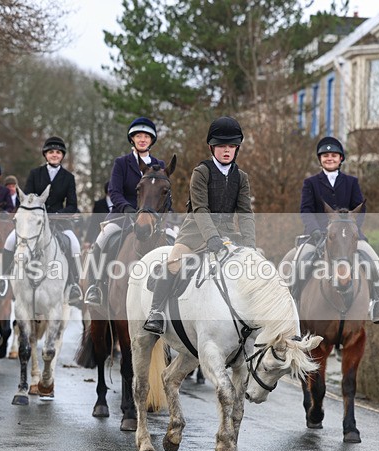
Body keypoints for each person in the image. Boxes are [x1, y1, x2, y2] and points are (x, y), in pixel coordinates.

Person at [143, 116, 254, 334]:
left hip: (228, 234)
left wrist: (250, 245)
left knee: (252, 268)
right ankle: (156, 312)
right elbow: (200, 208)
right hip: (195, 233)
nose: (227, 150)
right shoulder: (201, 172)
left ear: (237, 148)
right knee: (174, 263)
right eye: (221, 146)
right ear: (212, 147)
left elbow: (245, 213)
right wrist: (211, 237)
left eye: (231, 146)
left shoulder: (241, 178)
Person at [299, 136, 379, 323]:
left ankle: (378, 303)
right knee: (298, 262)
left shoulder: (351, 182)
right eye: (325, 156)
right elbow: (306, 210)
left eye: (333, 155)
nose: (329, 158)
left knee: (373, 260)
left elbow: (360, 209)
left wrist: (353, 230)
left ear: (341, 159)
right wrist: (315, 231)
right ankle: (293, 301)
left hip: (349, 235)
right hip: (317, 235)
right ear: (320, 159)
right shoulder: (311, 183)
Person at [83, 117, 167, 306]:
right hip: (123, 214)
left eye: (146, 136)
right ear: (132, 139)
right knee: (102, 239)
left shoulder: (159, 165)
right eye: (139, 136)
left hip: (152, 218)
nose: (142, 139)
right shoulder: (122, 162)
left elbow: (162, 193)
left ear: (151, 140)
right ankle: (95, 286)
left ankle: (172, 287)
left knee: (173, 238)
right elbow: (114, 191)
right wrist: (127, 208)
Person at [0, 136, 82, 305]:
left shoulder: (68, 177)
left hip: (59, 222)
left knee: (74, 244)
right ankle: (3, 279)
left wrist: (57, 214)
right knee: (10, 241)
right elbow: (26, 198)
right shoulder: (35, 174)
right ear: (45, 154)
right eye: (51, 152)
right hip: (33, 222)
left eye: (58, 152)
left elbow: (72, 205)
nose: (54, 155)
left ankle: (73, 284)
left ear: (62, 155)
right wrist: (34, 213)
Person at [84, 181, 111, 247]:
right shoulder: (99, 205)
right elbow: (93, 223)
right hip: (101, 236)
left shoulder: (121, 204)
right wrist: (88, 240)